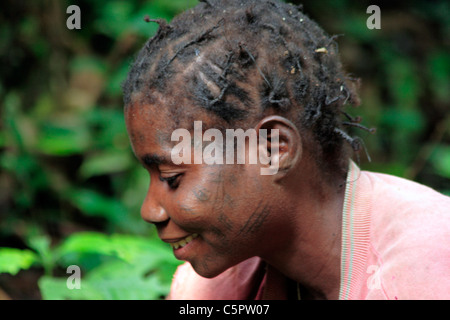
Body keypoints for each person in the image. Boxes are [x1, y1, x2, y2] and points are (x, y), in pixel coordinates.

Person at [122, 0, 450, 300]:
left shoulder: (428, 267)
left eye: (171, 177)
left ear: (273, 149)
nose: (150, 211)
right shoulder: (212, 290)